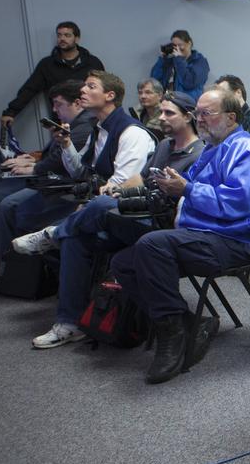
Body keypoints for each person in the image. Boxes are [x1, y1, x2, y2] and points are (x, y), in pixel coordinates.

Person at [14, 91, 206, 350]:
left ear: (188, 117)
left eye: (169, 113)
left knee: (101, 206)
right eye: (161, 112)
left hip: (163, 226)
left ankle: (51, 235)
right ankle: (69, 322)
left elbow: (185, 203)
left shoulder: (199, 153)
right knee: (76, 239)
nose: (161, 118)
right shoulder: (164, 146)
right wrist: (117, 189)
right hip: (136, 215)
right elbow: (140, 179)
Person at [110, 86, 250, 384]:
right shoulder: (212, 149)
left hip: (234, 241)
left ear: (231, 117)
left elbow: (240, 203)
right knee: (123, 262)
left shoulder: (248, 149)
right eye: (197, 114)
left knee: (152, 245)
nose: (199, 120)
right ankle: (189, 322)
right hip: (200, 235)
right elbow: (193, 189)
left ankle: (172, 337)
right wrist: (173, 184)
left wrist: (186, 189)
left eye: (206, 114)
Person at [0, 81, 90, 275]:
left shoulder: (83, 128)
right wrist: (34, 158)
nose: (54, 109)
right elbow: (55, 156)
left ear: (77, 103)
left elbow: (62, 164)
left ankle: (10, 263)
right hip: (46, 176)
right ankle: (4, 258)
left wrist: (35, 167)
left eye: (58, 104)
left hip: (56, 182)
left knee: (8, 205)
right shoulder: (72, 125)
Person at [56, 71, 156, 195]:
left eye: (91, 86)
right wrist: (66, 143)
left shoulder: (132, 132)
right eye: (84, 85)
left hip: (120, 204)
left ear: (110, 96)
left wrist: (87, 205)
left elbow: (121, 184)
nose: (82, 89)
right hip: (102, 198)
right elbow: (80, 172)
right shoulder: (98, 129)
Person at [1, 21, 106, 127]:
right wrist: (11, 112)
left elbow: (104, 88)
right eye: (59, 35)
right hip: (62, 122)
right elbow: (29, 90)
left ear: (77, 38)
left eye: (67, 35)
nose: (62, 39)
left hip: (92, 119)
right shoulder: (47, 65)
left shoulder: (92, 62)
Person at [149, 30, 209, 98]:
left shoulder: (200, 62)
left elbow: (189, 83)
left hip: (187, 104)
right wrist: (162, 59)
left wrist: (179, 59)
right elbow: (154, 81)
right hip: (167, 101)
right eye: (174, 46)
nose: (177, 49)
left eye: (180, 45)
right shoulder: (171, 61)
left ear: (189, 43)